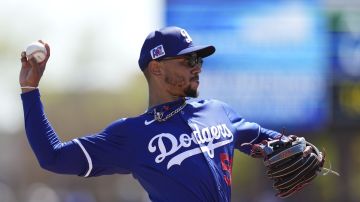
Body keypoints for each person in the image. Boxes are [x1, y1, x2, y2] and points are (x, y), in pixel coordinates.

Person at [20, 26, 287, 202]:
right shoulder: (132, 134)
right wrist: (30, 90)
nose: (198, 68)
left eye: (199, 60)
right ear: (157, 68)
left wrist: (302, 149)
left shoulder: (218, 111)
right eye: (188, 61)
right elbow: (53, 156)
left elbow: (270, 140)